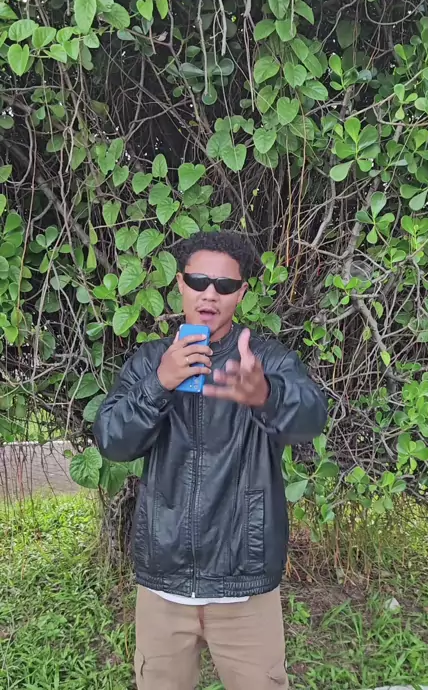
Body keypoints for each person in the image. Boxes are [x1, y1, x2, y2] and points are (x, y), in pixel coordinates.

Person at [93, 230, 328, 690]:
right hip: (163, 586)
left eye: (224, 285)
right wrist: (159, 383)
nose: (209, 294)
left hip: (245, 588)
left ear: (241, 293)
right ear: (180, 283)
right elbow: (112, 441)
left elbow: (311, 419)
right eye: (199, 281)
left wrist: (266, 396)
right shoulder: (150, 361)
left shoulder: (263, 361)